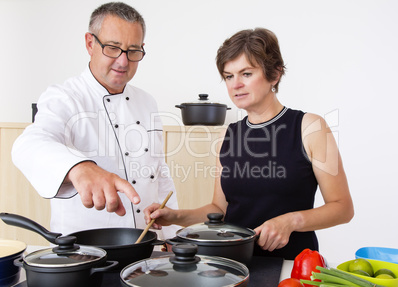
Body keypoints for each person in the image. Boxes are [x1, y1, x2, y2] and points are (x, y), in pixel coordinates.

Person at [144, 28, 354, 259]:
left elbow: (342, 208)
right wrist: (176, 216)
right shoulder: (230, 135)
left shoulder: (310, 127)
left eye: (246, 73)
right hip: (233, 264)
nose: (235, 85)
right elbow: (218, 210)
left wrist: (291, 221)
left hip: (292, 265)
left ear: (274, 74)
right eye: (228, 76)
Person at [12, 2, 179, 239]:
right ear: (90, 43)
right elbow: (29, 144)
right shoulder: (65, 97)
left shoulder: (147, 102)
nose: (123, 61)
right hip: (84, 252)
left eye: (133, 51)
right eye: (113, 48)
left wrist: (173, 235)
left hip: (147, 247)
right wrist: (78, 168)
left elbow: (159, 173)